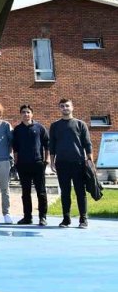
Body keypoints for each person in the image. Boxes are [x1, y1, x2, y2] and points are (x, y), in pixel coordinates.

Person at [50, 98, 94, 229]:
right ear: (59, 108)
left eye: (67, 106)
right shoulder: (55, 126)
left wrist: (90, 162)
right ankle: (66, 219)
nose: (65, 108)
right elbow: (52, 145)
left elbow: (88, 144)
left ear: (72, 107)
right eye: (62, 106)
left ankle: (83, 219)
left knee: (81, 192)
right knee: (65, 192)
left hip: (79, 163)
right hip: (62, 164)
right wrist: (52, 162)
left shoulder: (81, 124)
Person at [12, 104, 50, 226]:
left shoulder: (40, 128)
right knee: (25, 192)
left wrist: (47, 160)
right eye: (23, 112)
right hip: (23, 165)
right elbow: (15, 148)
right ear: (20, 114)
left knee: (41, 192)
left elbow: (47, 145)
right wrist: (16, 163)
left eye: (28, 112)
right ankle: (27, 217)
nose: (26, 114)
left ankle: (42, 217)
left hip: (38, 164)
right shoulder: (17, 130)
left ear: (32, 114)